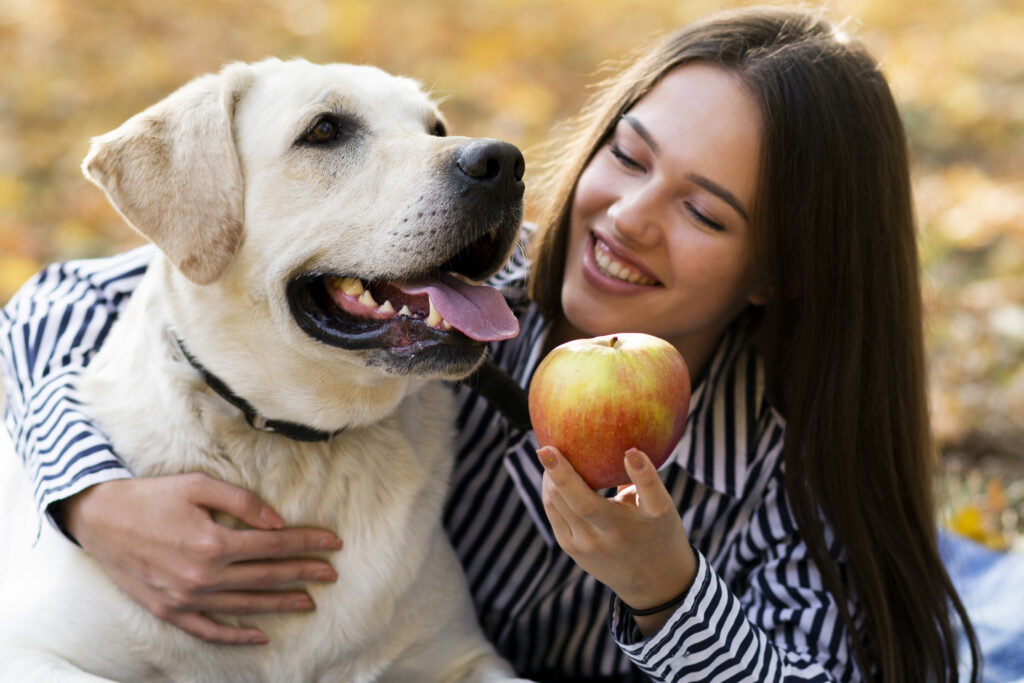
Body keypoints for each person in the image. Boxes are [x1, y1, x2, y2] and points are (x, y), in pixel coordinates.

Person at [0, 6, 981, 682]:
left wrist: (668, 590)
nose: (628, 218)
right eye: (627, 155)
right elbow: (61, 305)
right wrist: (89, 490)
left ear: (782, 270)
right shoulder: (480, 309)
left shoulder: (788, 467)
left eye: (704, 211)